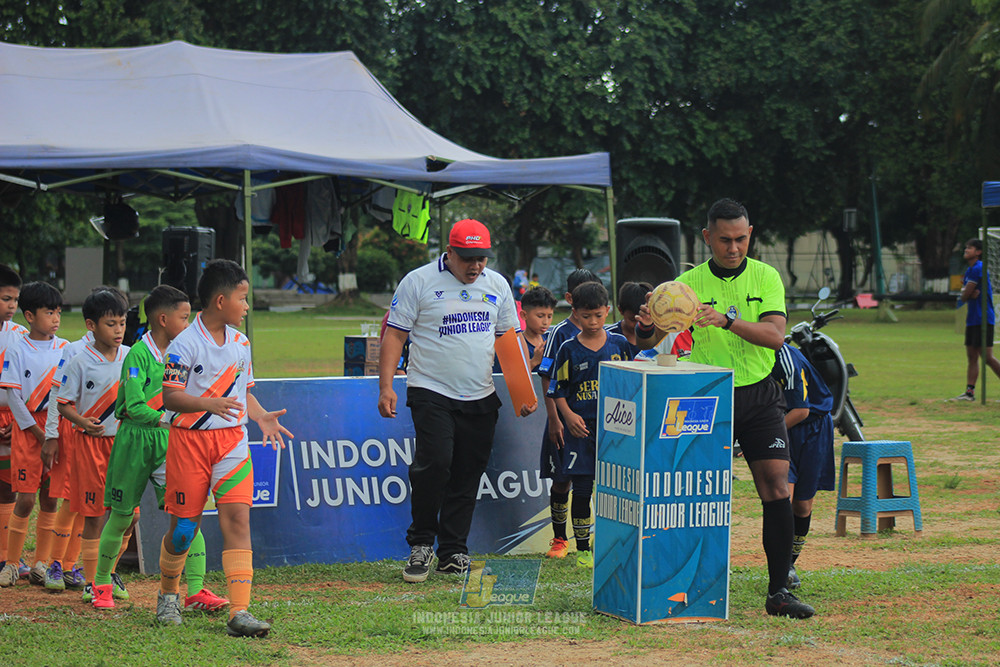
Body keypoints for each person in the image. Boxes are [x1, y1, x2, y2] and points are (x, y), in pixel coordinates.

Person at [636, 198, 815, 618]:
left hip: (758, 394)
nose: (733, 248)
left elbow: (775, 337)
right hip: (705, 396)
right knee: (688, 490)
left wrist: (726, 321)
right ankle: (679, 585)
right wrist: (649, 324)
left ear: (749, 234)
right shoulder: (686, 285)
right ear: (707, 238)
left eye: (740, 239)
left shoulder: (766, 276)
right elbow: (652, 344)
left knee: (777, 486)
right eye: (724, 240)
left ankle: (778, 592)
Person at [378, 219, 532, 583]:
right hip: (430, 390)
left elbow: (509, 340)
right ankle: (420, 546)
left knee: (467, 473)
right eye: (467, 259)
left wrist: (523, 391)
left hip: (480, 394)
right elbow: (394, 336)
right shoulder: (417, 281)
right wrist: (386, 387)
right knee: (435, 464)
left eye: (481, 258)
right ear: (449, 252)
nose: (475, 266)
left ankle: (453, 551)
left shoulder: (497, 285)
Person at [156, 259, 291, 637]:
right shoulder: (184, 344)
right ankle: (169, 596)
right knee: (183, 530)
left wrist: (261, 415)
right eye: (243, 298)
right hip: (189, 444)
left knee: (238, 519)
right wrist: (206, 405)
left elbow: (242, 392)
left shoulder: (241, 343)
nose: (247, 307)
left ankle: (239, 611)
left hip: (232, 442)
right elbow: (170, 397)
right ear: (220, 300)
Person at [93, 285, 228, 613]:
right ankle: (99, 584)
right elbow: (134, 404)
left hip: (172, 443)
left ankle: (195, 591)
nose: (190, 322)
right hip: (136, 441)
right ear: (163, 319)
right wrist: (166, 420)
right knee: (122, 516)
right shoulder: (137, 355)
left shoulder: (188, 351)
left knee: (187, 515)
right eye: (184, 317)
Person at [545, 282, 632, 567]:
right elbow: (556, 388)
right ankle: (581, 550)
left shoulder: (619, 345)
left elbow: (632, 384)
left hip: (614, 430)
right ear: (574, 314)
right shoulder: (569, 348)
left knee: (614, 491)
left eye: (598, 315)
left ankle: (606, 542)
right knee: (581, 489)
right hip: (580, 430)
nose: (593, 322)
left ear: (607, 311)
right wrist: (567, 416)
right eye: (586, 316)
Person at [55, 288, 131, 602]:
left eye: (122, 323)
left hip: (125, 444)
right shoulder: (78, 361)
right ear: (91, 325)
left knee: (129, 515)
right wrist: (83, 422)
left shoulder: (131, 356)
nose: (118, 330)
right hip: (90, 445)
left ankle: (107, 569)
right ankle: (92, 581)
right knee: (95, 513)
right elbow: (63, 403)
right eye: (111, 324)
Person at [0, 281, 67, 587]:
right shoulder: (17, 349)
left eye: (58, 312)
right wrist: (38, 434)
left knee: (51, 497)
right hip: (29, 429)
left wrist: (54, 431)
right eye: (48, 312)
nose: (55, 318)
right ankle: (12, 563)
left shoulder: (66, 349)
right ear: (29, 315)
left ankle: (41, 562)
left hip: (58, 428)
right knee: (25, 499)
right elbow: (13, 396)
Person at [536, 268, 600, 559]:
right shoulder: (559, 334)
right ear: (571, 299)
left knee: (588, 482)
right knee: (562, 479)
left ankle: (587, 543)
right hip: (564, 421)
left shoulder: (605, 333)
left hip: (594, 425)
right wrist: (554, 419)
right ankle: (559, 540)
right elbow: (547, 375)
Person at [772, 343, 835, 590]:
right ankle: (782, 567)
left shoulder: (785, 357)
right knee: (782, 497)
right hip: (781, 428)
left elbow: (800, 410)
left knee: (802, 504)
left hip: (812, 428)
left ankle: (790, 562)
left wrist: (767, 432)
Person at [0, 264, 30, 581]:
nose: (12, 306)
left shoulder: (20, 336)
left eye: (15, 299)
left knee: (8, 489)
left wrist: (16, 420)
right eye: (6, 299)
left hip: (13, 422)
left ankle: (7, 557)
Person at [956, 238, 1000, 400]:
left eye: (970, 248)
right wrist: (967, 294)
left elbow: (966, 295)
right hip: (972, 318)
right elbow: (965, 294)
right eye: (966, 247)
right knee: (972, 356)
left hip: (983, 318)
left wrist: (967, 294)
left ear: (978, 252)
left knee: (987, 357)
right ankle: (969, 393)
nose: (966, 250)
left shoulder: (979, 268)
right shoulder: (970, 270)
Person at [606, 281, 656, 359]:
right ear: (620, 310)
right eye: (633, 320)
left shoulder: (658, 336)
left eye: (643, 321)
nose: (638, 326)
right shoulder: (608, 336)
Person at [519, 286, 557, 371]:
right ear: (524, 315)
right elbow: (508, 379)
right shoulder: (517, 344)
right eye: (540, 316)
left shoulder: (550, 341)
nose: (546, 322)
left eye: (550, 316)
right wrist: (534, 361)